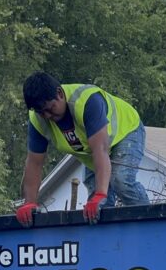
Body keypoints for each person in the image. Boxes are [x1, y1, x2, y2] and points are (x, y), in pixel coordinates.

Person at [16, 72, 149, 226]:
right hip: (93, 150)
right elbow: (34, 163)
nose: (47, 116)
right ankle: (105, 246)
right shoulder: (38, 120)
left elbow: (101, 150)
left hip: (125, 132)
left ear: (59, 94)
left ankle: (152, 225)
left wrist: (101, 194)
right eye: (41, 112)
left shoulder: (87, 101)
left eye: (50, 108)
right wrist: (29, 203)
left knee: (121, 181)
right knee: (96, 207)